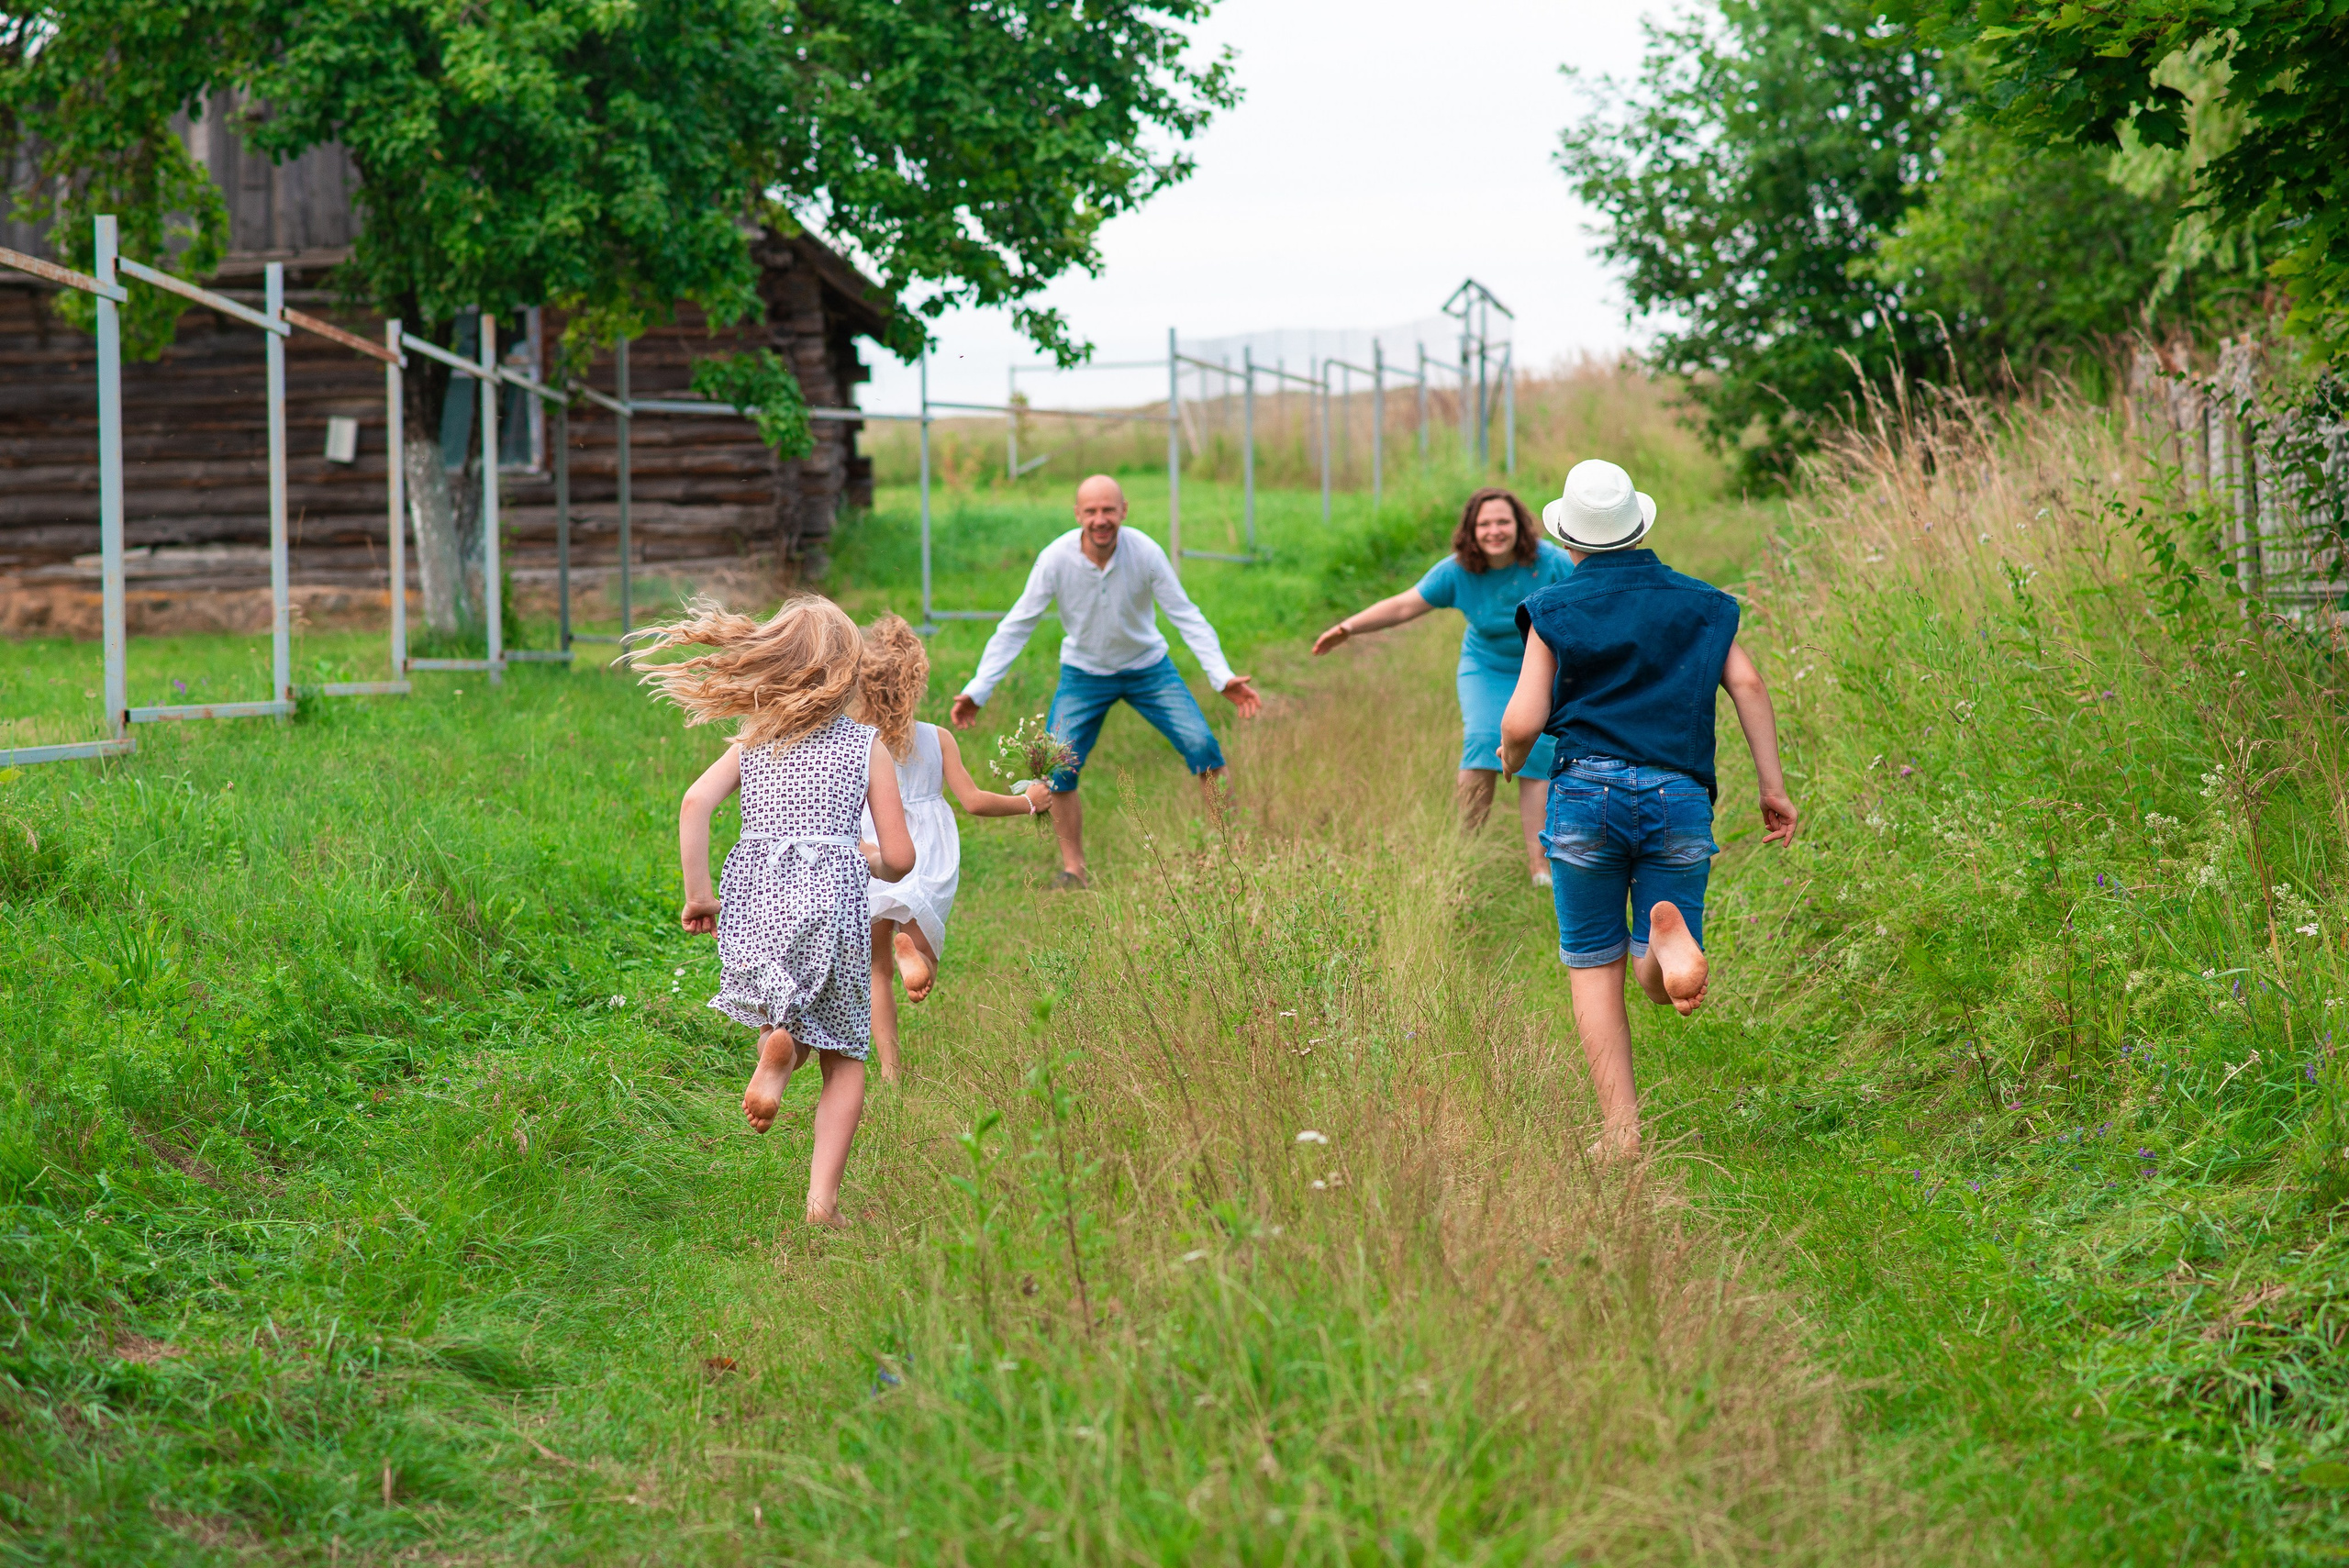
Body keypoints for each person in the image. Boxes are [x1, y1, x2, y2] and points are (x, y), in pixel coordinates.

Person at [1498, 460, 1798, 1162]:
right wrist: (1771, 787)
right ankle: (1664, 945)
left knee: (1591, 964)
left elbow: (1522, 718)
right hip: (1678, 794)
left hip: (1585, 796)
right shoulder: (1701, 602)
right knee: (1655, 979)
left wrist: (1513, 759)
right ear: (1639, 528)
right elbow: (1748, 682)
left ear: (1569, 541)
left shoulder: (1554, 608)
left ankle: (1621, 1133)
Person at [650, 595, 917, 1227]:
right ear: (848, 670)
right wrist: (865, 859)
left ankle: (778, 1042)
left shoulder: (753, 741)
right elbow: (901, 858)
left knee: (787, 1006)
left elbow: (694, 804)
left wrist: (700, 894)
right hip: (834, 904)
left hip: (760, 901)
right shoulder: (865, 745)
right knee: (845, 1056)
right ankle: (822, 1202)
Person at [951, 473, 1262, 886]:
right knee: (1056, 765)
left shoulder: (1145, 552)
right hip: (1084, 673)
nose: (1101, 519)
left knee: (1202, 745)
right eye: (1092, 511)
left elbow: (1185, 614)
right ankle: (1073, 869)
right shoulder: (1056, 558)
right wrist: (978, 689)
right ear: (1078, 514)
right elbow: (1016, 625)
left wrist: (1221, 677)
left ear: (1124, 511)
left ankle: (1231, 848)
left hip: (1148, 668)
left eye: (1109, 510)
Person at [1312, 485, 1574, 884]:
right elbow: (1403, 605)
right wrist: (1348, 628)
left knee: (1537, 748)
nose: (1494, 531)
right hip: (1485, 665)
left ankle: (1539, 866)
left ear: (1520, 526)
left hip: (1540, 665)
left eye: (1503, 521)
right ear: (1471, 531)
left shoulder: (1550, 562)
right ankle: (1463, 855)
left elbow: (1593, 595)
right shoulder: (1456, 571)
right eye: (1484, 524)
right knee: (1483, 738)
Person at [852, 614, 1054, 1081]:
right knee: (925, 965)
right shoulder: (936, 738)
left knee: (875, 972)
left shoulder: (856, 742)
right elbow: (974, 801)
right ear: (916, 684)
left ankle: (890, 1071)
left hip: (874, 847)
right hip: (924, 853)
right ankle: (917, 957)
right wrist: (1028, 801)